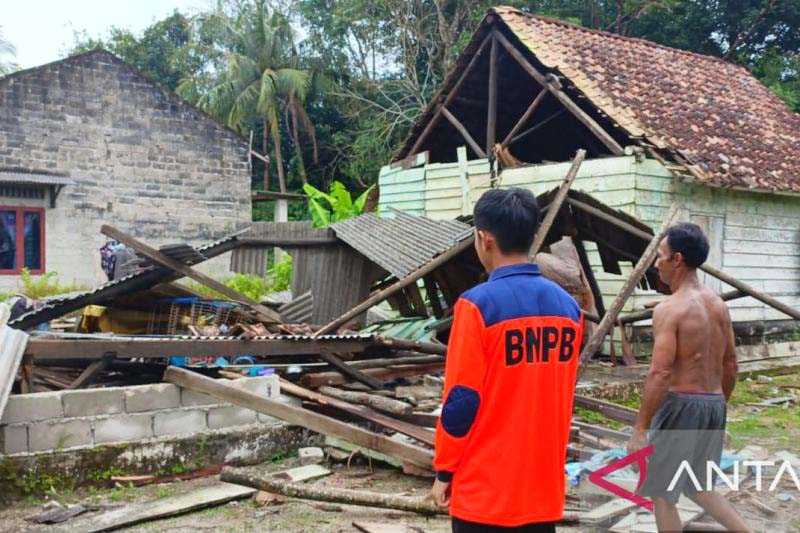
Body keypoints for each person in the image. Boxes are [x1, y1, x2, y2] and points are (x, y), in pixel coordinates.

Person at [430, 188, 584, 532]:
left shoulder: (476, 306)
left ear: (484, 239)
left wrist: (444, 471)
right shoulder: (569, 310)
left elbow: (461, 401)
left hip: (486, 493)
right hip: (542, 491)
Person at [627, 222, 751, 532]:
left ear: (677, 259)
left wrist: (640, 428)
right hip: (713, 403)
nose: (656, 263)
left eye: (661, 256)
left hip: (682, 405)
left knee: (661, 491)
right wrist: (719, 409)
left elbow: (660, 372)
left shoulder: (671, 309)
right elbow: (731, 365)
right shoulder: (718, 306)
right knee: (698, 485)